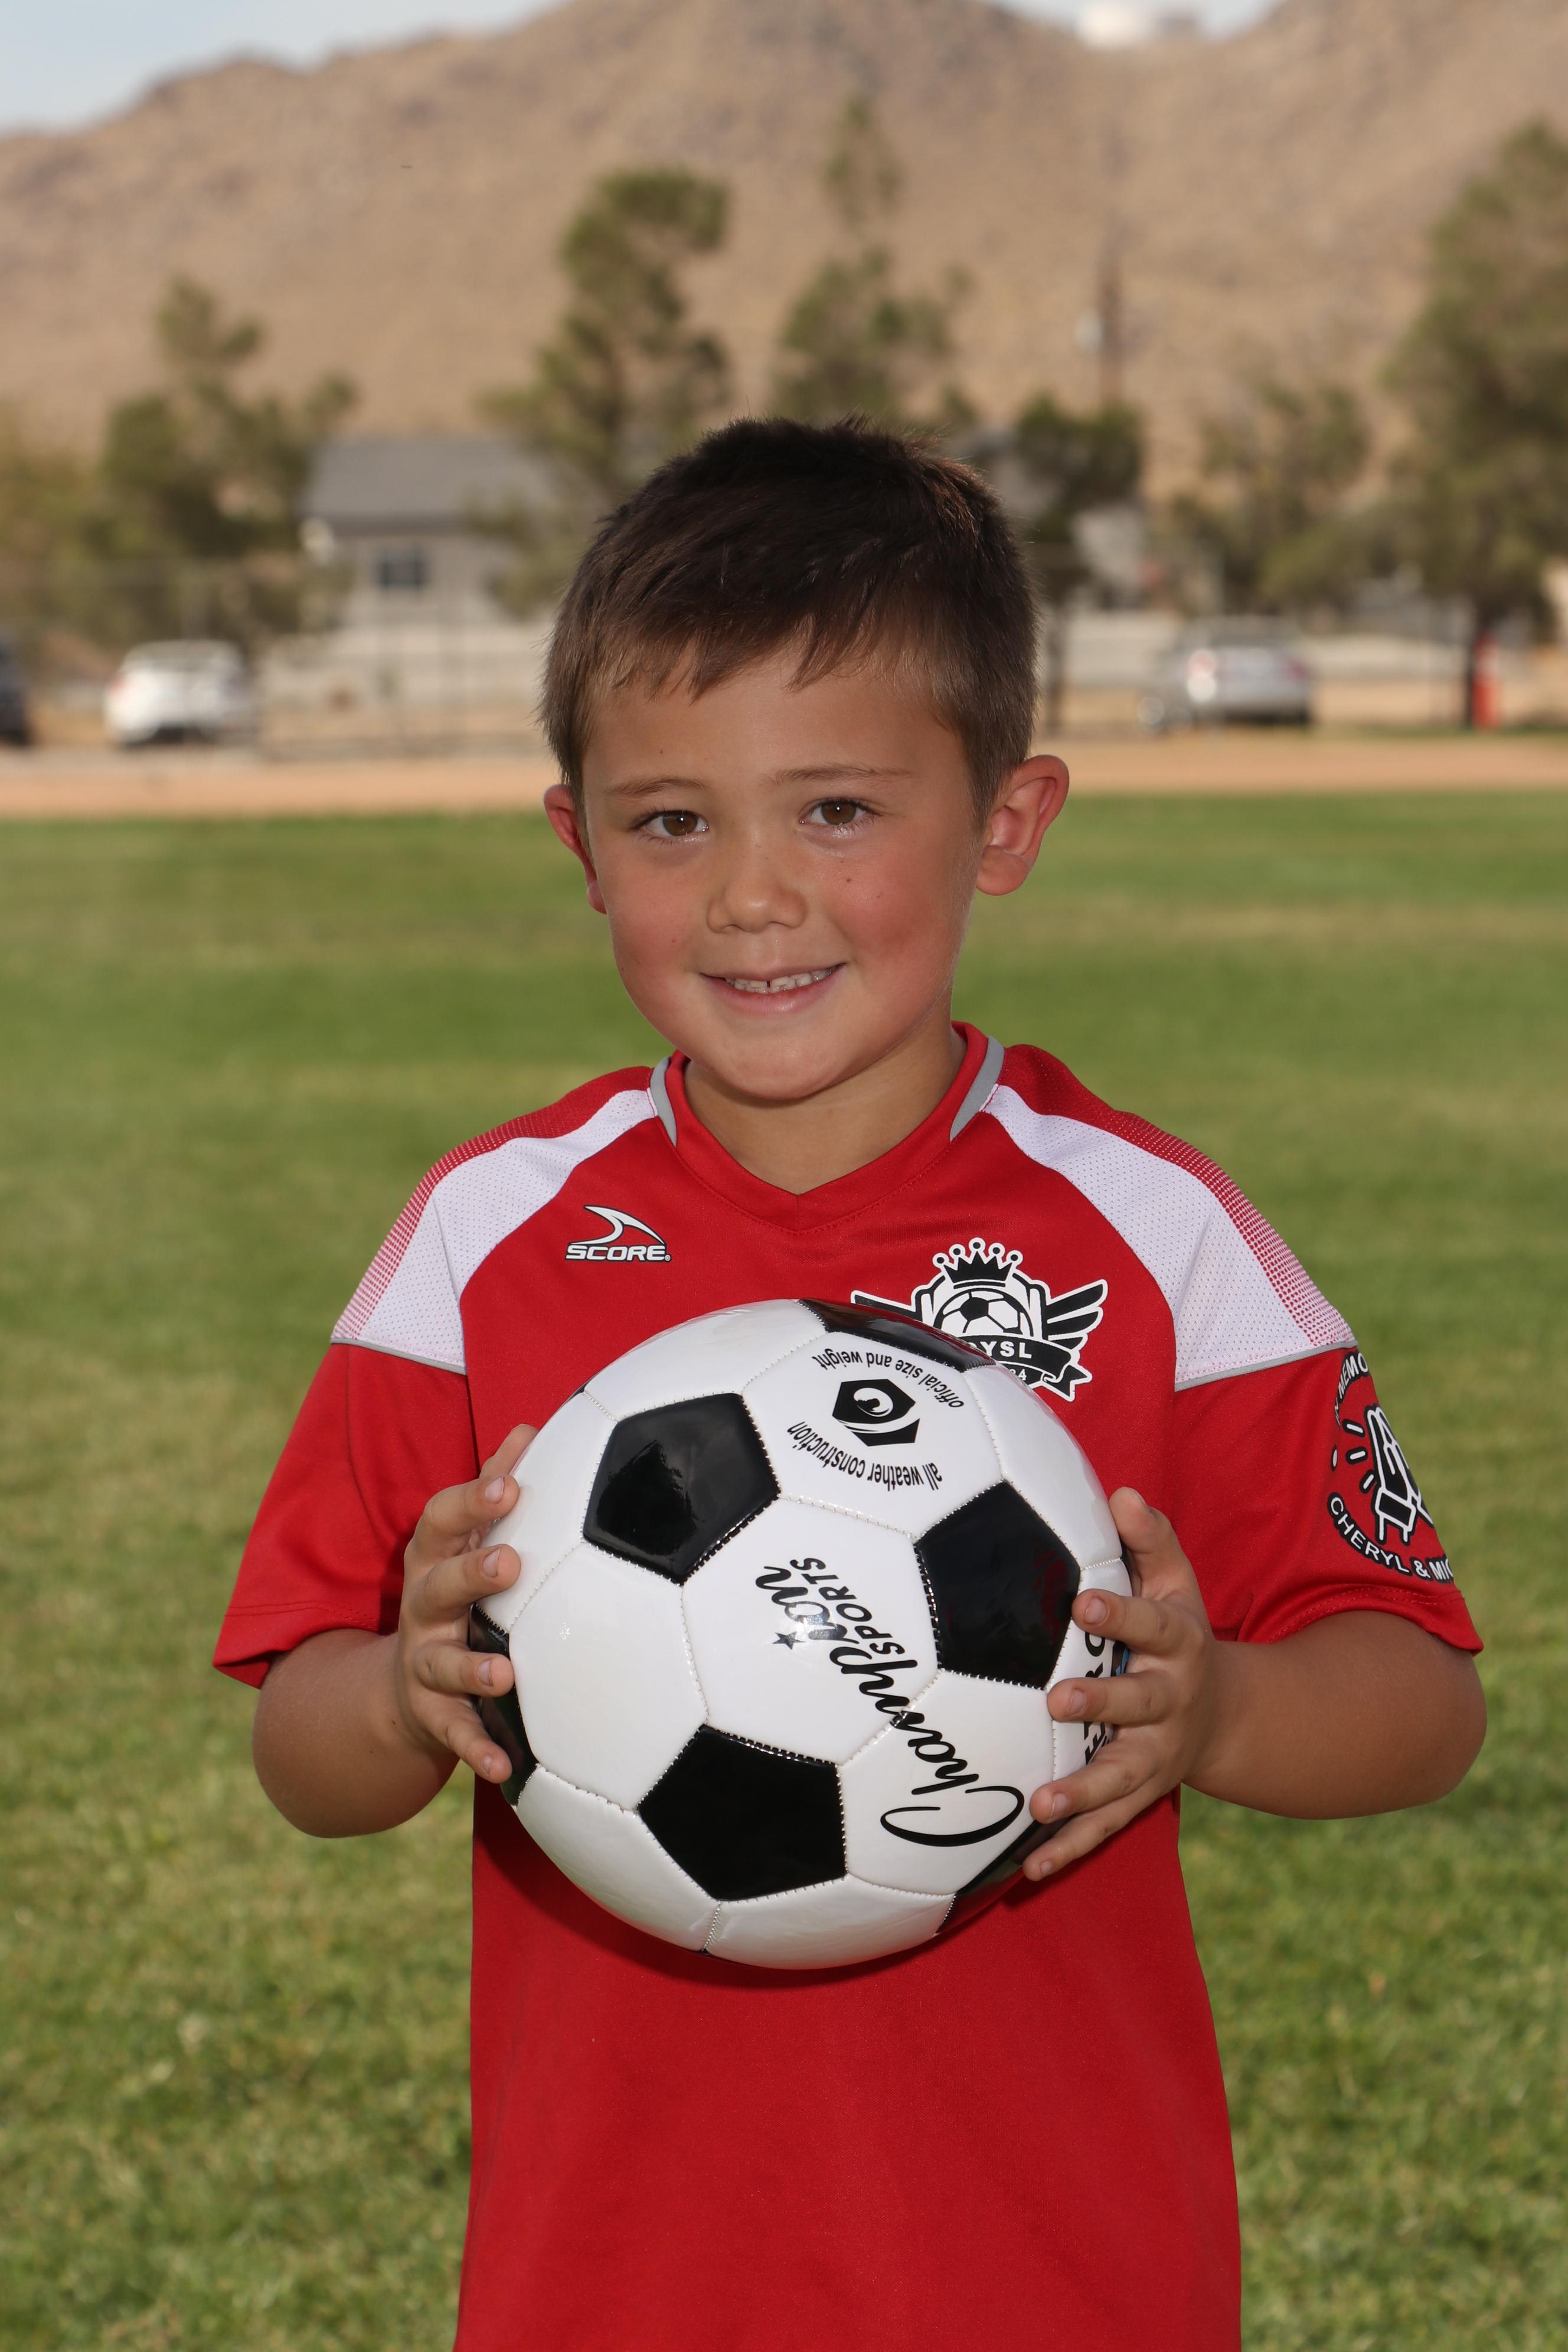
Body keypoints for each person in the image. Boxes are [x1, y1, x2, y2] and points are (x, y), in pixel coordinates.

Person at [215, 419, 1485, 2352]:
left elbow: (1422, 1698)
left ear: (1007, 821)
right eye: (671, 823)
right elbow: (301, 1747)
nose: (752, 895)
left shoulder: (1156, 1239)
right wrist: (402, 1691)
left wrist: (1219, 1709)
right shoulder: (489, 1240)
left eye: (834, 811)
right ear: (578, 846)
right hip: (610, 2290)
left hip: (1061, 2285)